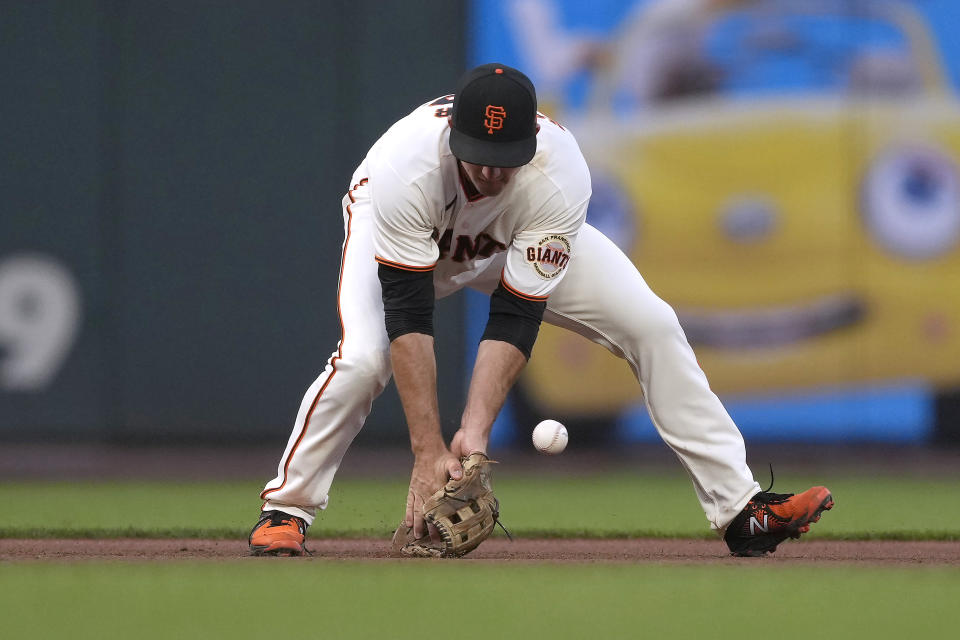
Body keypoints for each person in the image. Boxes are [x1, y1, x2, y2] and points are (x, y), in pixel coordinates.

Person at [248, 63, 832, 558]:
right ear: (452, 131)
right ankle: (287, 509)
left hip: (509, 238)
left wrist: (472, 438)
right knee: (364, 360)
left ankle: (740, 510)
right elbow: (410, 315)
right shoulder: (406, 166)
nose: (492, 169)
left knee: (651, 325)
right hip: (401, 227)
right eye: (480, 153)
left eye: (508, 156)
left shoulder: (559, 175)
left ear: (534, 139)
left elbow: (514, 314)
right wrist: (428, 454)